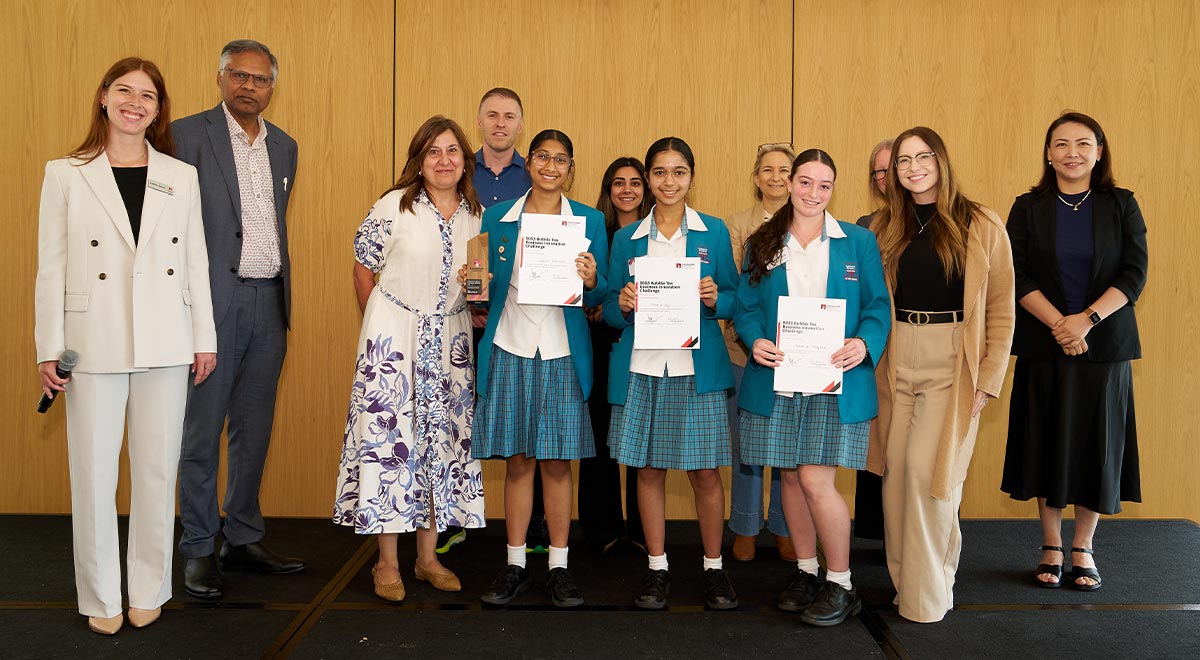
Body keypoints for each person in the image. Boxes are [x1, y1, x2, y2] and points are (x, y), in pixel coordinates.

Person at [34, 57, 217, 634]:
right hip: (92, 343)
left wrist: (203, 338)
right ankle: (100, 598)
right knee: (91, 474)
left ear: (159, 109)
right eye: (124, 91)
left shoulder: (179, 175)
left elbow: (195, 262)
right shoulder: (66, 172)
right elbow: (51, 268)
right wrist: (49, 346)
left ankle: (148, 587)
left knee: (158, 472)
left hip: (166, 337)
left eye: (148, 95)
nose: (135, 103)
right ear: (103, 98)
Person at [332, 116, 485, 601]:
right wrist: (379, 329)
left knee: (440, 445)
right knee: (390, 445)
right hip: (393, 340)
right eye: (433, 152)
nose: (444, 160)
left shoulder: (477, 216)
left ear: (465, 160)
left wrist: (476, 301)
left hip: (451, 345)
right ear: (419, 160)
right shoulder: (393, 206)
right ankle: (386, 564)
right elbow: (363, 269)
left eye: (452, 151)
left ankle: (427, 558)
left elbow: (479, 282)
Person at [735, 148, 890, 626]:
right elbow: (746, 305)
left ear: (833, 190)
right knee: (789, 476)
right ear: (790, 184)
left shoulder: (858, 242)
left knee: (816, 479)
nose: (813, 193)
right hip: (779, 376)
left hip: (834, 379)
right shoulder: (763, 241)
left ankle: (841, 581)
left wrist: (864, 343)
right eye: (805, 182)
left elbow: (878, 307)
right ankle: (806, 571)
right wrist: (755, 338)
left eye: (824, 186)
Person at [866, 126, 1014, 623]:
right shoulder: (884, 226)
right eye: (903, 161)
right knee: (895, 480)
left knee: (931, 480)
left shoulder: (980, 222)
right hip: (896, 358)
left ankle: (925, 600)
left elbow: (1001, 310)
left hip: (954, 359)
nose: (912, 167)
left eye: (922, 156)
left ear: (941, 160)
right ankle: (910, 581)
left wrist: (989, 378)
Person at [172, 39, 304, 600]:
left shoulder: (285, 146)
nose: (249, 86)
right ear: (221, 78)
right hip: (210, 304)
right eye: (239, 76)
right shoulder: (183, 135)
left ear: (273, 86)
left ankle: (242, 535)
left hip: (269, 300)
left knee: (255, 428)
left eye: (260, 79)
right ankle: (199, 546)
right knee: (201, 431)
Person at [1001, 112, 1147, 591]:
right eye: (1061, 144)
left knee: (1095, 447)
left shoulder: (1120, 204)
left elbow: (1133, 273)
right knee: (1047, 441)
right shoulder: (1027, 207)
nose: (1072, 153)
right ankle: (1050, 545)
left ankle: (1083, 545)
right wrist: (1060, 324)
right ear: (1048, 153)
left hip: (1104, 347)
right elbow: (1015, 273)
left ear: (1099, 151)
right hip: (1045, 343)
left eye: (1083, 144)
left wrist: (1085, 320)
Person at [468, 129, 608, 608]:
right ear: (530, 163)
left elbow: (603, 295)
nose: (551, 165)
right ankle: (514, 563)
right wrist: (476, 285)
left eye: (561, 159)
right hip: (509, 346)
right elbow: (480, 286)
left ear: (572, 167)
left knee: (556, 463)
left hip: (563, 352)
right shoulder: (498, 218)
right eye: (543, 157)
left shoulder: (589, 220)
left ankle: (559, 567)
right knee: (518, 461)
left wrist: (592, 280)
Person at [605, 137, 740, 611]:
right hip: (642, 366)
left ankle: (713, 568)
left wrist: (714, 300)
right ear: (648, 179)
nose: (668, 182)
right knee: (648, 468)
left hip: (695, 367)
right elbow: (607, 307)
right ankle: (657, 567)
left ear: (691, 176)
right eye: (659, 173)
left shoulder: (715, 232)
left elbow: (736, 298)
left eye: (678, 172)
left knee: (705, 471)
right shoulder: (626, 239)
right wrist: (620, 304)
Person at [725, 142, 796, 562]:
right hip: (745, 352)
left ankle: (785, 526)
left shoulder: (811, 223)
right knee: (747, 445)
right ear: (755, 178)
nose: (775, 177)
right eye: (766, 170)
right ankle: (746, 523)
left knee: (788, 446)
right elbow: (737, 287)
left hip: (797, 355)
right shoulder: (737, 225)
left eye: (784, 169)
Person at [578, 157, 652, 554]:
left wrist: (605, 300)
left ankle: (643, 532)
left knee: (640, 441)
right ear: (608, 190)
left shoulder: (657, 235)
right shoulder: (594, 230)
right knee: (600, 438)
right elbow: (586, 288)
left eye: (635, 183)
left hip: (644, 345)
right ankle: (601, 530)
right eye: (618, 183)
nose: (627, 190)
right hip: (599, 343)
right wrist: (596, 299)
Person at [853, 138, 892, 542]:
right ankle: (879, 532)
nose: (885, 178)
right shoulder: (865, 226)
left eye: (891, 167)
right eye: (877, 172)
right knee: (876, 443)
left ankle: (908, 535)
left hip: (923, 349)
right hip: (875, 350)